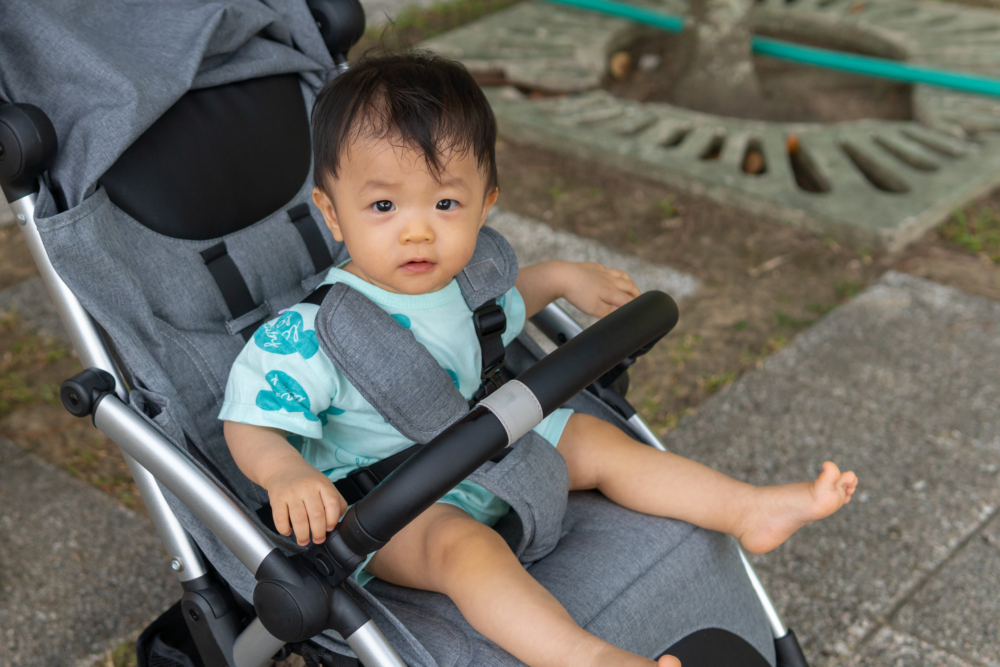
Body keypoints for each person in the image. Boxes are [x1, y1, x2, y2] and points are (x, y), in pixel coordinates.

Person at [220, 51, 858, 667]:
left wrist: (561, 278)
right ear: (332, 212)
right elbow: (249, 420)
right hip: (394, 505)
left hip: (489, 447)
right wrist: (285, 475)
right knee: (464, 551)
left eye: (445, 204)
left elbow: (497, 315)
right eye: (384, 206)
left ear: (485, 202)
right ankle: (586, 657)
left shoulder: (466, 283)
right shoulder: (313, 334)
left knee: (599, 443)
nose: (418, 231)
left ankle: (750, 510)